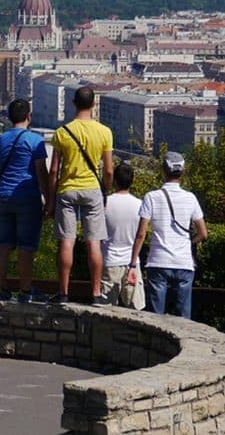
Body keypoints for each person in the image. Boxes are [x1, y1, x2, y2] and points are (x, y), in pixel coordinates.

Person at [47, 86, 113, 305]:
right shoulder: (104, 132)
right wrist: (106, 189)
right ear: (94, 104)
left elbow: (54, 170)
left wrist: (50, 199)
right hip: (92, 188)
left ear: (73, 103)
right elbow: (109, 170)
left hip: (67, 189)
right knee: (93, 242)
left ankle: (63, 292)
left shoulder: (62, 132)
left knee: (67, 242)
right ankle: (95, 293)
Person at [127, 152, 207, 318]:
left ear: (163, 171)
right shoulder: (190, 198)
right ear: (183, 172)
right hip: (183, 262)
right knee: (183, 318)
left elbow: (141, 234)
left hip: (158, 260)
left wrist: (133, 264)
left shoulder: (151, 197)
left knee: (156, 317)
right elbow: (203, 233)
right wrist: (190, 243)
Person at [0, 98, 48, 303]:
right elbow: (41, 173)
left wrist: (5, 183)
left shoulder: (0, 140)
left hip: (4, 196)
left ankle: (1, 288)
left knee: (3, 244)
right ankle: (25, 290)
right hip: (28, 197)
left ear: (9, 117)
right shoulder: (36, 141)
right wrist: (48, 200)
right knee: (26, 246)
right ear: (29, 117)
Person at [100, 163, 144, 309]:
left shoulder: (105, 203)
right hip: (132, 261)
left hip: (109, 259)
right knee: (137, 311)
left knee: (105, 312)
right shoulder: (140, 205)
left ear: (114, 180)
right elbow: (141, 234)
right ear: (133, 180)